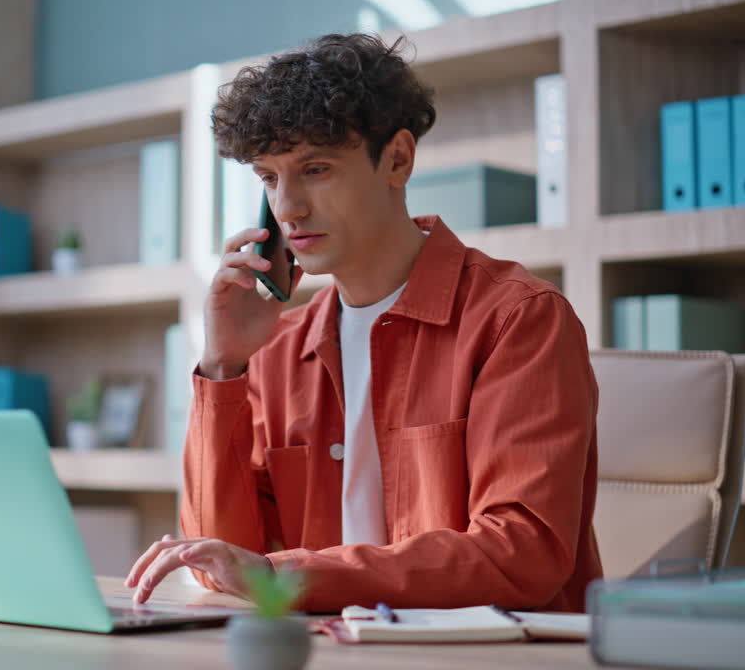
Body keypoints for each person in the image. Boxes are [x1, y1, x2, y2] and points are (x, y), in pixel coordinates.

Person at [126, 33, 602, 613]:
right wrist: (224, 366)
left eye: (316, 168)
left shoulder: (518, 321)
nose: (288, 208)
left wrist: (292, 574)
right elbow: (222, 562)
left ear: (397, 159)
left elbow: (520, 553)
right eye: (269, 178)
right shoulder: (279, 349)